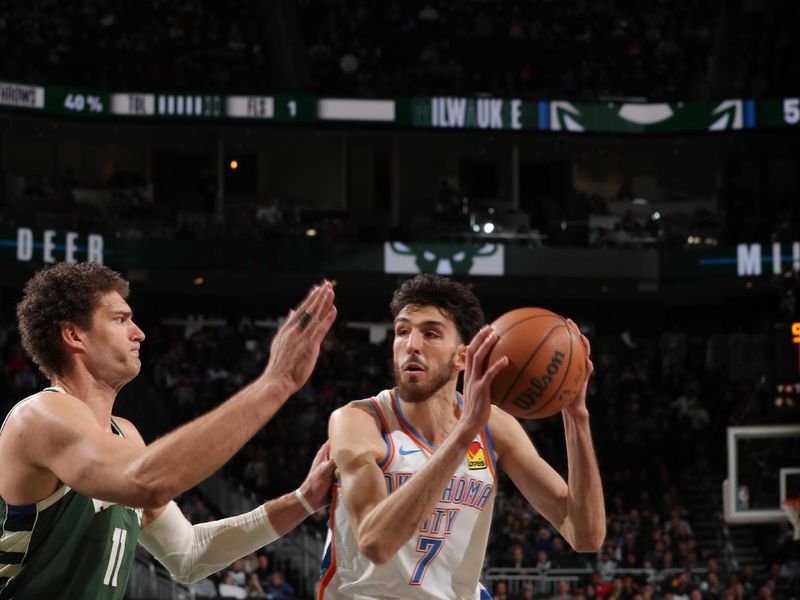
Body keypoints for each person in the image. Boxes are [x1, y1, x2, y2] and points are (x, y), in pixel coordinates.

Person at [0, 262, 337, 599]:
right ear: (74, 335)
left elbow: (190, 554)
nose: (139, 333)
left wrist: (303, 501)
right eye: (120, 319)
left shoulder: (126, 436)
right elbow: (146, 481)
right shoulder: (40, 416)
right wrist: (274, 384)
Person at [320, 274, 605, 599]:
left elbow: (585, 535)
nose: (410, 345)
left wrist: (576, 417)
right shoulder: (359, 421)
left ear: (462, 357)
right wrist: (464, 433)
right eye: (402, 331)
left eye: (430, 333)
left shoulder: (496, 428)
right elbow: (375, 543)